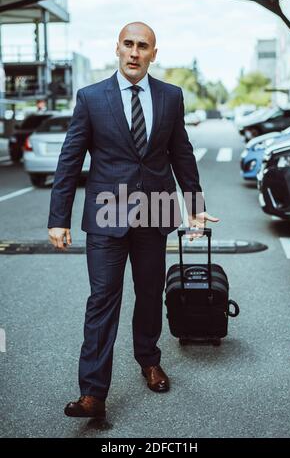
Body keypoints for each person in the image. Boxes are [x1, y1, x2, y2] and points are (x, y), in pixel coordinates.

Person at [48, 21, 219, 420]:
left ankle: (149, 360)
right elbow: (70, 160)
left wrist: (193, 205)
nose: (135, 52)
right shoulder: (91, 98)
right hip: (108, 209)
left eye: (143, 46)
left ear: (153, 54)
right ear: (117, 48)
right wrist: (59, 217)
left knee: (148, 294)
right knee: (103, 299)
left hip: (156, 208)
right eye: (128, 44)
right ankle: (92, 392)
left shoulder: (171, 96)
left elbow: (182, 153)